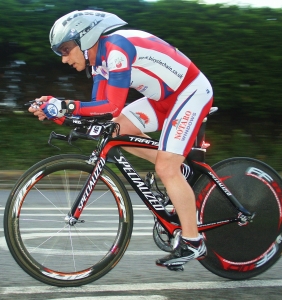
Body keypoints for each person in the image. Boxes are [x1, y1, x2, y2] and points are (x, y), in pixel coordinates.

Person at [29, 10, 213, 270]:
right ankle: (180, 169)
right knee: (114, 131)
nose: (64, 59)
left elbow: (112, 105)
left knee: (164, 168)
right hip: (162, 99)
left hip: (190, 93)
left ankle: (194, 242)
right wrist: (57, 113)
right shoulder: (100, 63)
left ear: (85, 39)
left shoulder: (116, 50)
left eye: (66, 49)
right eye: (60, 52)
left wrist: (64, 106)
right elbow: (100, 112)